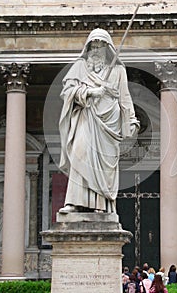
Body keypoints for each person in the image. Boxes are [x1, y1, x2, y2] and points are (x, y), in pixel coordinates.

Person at [59, 28, 139, 214]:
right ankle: (73, 202)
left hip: (109, 123)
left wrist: (132, 120)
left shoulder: (118, 70)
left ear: (107, 48)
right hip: (86, 117)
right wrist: (90, 92)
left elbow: (124, 97)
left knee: (104, 165)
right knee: (80, 154)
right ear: (88, 48)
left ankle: (101, 205)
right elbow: (67, 92)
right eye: (93, 46)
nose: (96, 50)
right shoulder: (79, 67)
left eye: (100, 46)